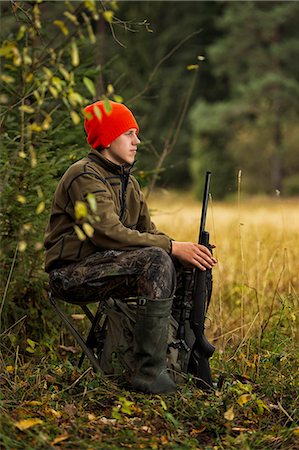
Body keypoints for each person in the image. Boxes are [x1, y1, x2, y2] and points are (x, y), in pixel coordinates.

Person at [44, 100, 217, 394]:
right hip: (71, 275)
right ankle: (149, 374)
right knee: (157, 259)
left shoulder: (129, 183)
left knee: (192, 262)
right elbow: (108, 234)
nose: (137, 141)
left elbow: (147, 233)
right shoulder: (84, 175)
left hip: (109, 268)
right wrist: (172, 246)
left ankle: (184, 357)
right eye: (129, 133)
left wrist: (184, 251)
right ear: (108, 138)